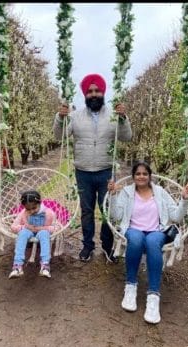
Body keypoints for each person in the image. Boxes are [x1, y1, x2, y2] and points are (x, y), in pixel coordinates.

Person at [54, 73, 132, 263]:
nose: (94, 94)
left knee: (108, 211)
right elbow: (59, 136)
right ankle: (87, 246)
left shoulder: (114, 115)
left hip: (106, 171)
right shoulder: (75, 116)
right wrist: (60, 118)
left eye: (97, 91)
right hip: (83, 172)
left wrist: (123, 118)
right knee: (87, 210)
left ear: (103, 92)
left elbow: (126, 136)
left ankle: (107, 246)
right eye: (90, 91)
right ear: (85, 94)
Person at [107, 162, 188, 324]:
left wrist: (183, 199)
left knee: (153, 241)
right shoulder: (126, 192)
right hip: (133, 230)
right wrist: (112, 196)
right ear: (133, 177)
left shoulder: (160, 192)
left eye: (145, 174)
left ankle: (153, 296)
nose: (141, 176)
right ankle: (130, 287)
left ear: (149, 176)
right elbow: (116, 215)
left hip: (156, 231)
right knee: (137, 239)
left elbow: (176, 217)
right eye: (138, 174)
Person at [8, 190, 57, 279]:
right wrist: (25, 227)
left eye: (34, 208)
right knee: (22, 234)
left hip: (42, 231)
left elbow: (56, 227)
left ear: (39, 203)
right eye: (28, 209)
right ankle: (17, 266)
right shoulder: (23, 213)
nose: (31, 211)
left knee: (44, 234)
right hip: (28, 231)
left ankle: (45, 265)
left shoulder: (48, 213)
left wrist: (42, 228)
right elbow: (13, 226)